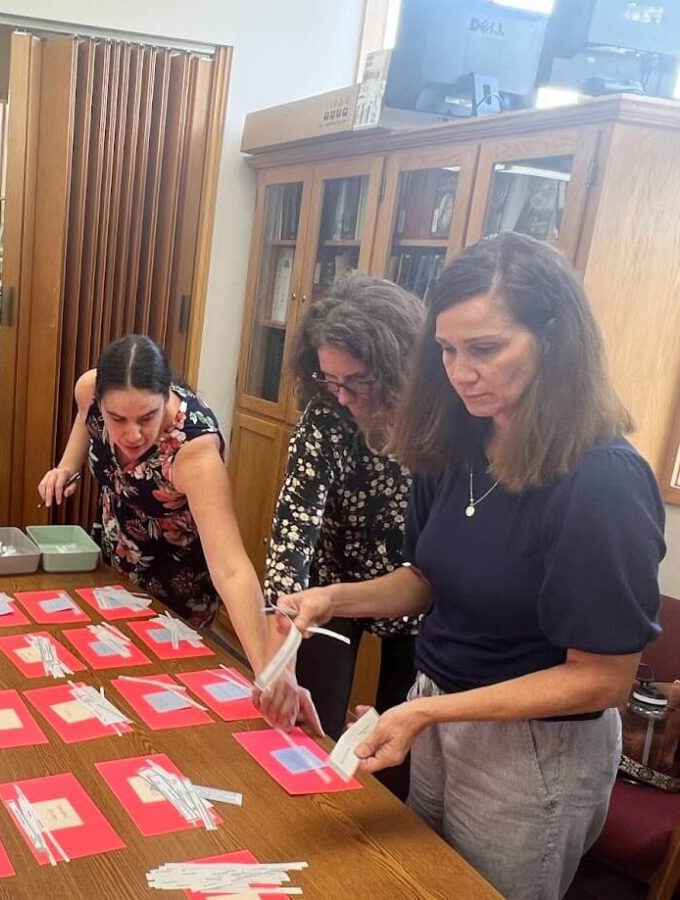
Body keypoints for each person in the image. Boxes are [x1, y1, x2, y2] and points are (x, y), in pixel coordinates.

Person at [278, 234, 665, 900]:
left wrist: (431, 714)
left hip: (534, 754)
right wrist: (332, 598)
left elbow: (601, 680)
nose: (461, 373)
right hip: (440, 710)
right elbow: (426, 579)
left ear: (552, 338)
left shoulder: (602, 479)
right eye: (448, 351)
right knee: (422, 884)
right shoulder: (458, 442)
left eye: (485, 349)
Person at [38, 335, 305, 694]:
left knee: (150, 692)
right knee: (99, 678)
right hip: (115, 558)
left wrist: (268, 672)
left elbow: (232, 567)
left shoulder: (193, 449)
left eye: (148, 417)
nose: (132, 435)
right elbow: (85, 425)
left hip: (176, 585)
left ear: (166, 396)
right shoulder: (89, 388)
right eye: (117, 419)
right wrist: (65, 467)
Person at [262, 273, 424, 741]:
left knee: (402, 735)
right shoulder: (326, 415)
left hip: (413, 584)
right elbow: (294, 527)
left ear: (399, 369)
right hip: (331, 583)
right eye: (330, 379)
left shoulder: (430, 421)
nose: (344, 396)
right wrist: (283, 645)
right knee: (311, 720)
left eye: (358, 381)